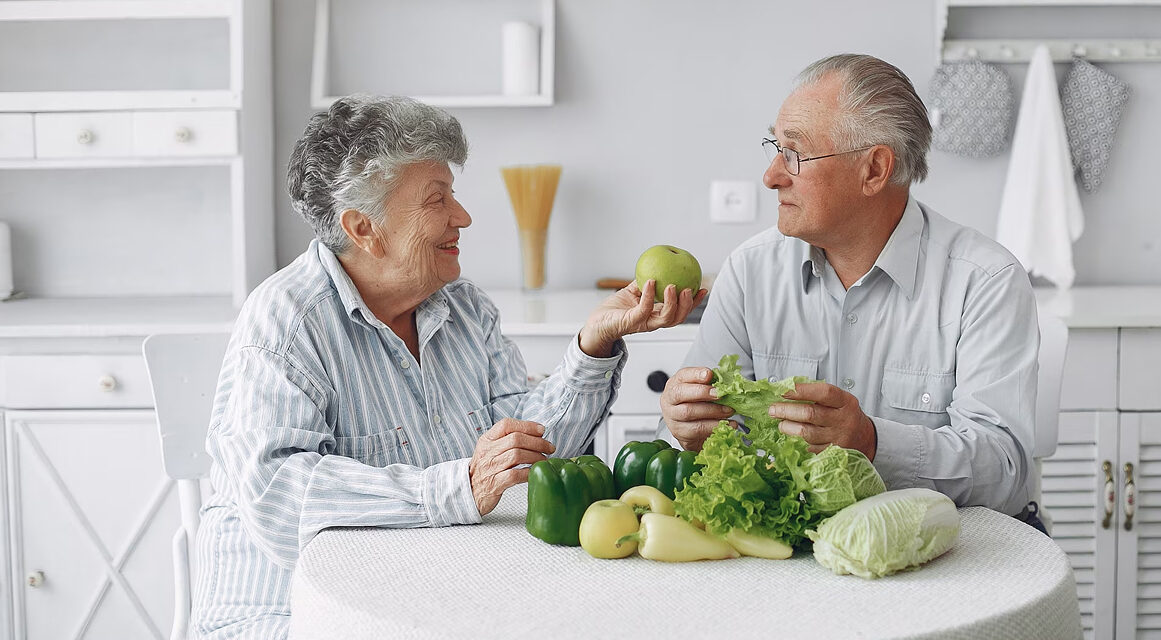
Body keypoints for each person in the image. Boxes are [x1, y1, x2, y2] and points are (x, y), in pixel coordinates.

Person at [192, 95, 702, 639]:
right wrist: (455, 485)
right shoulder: (286, 322)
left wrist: (592, 346)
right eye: (437, 200)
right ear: (364, 227)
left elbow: (529, 455)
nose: (463, 217)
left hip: (433, 596)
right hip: (295, 614)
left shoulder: (463, 306)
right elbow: (279, 495)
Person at [658, 54, 1042, 528]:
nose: (771, 175)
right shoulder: (748, 272)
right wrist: (686, 427)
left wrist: (872, 443)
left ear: (875, 170)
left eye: (794, 153)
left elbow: (1006, 471)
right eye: (774, 147)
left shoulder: (986, 280)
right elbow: (695, 444)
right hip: (792, 553)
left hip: (948, 551)